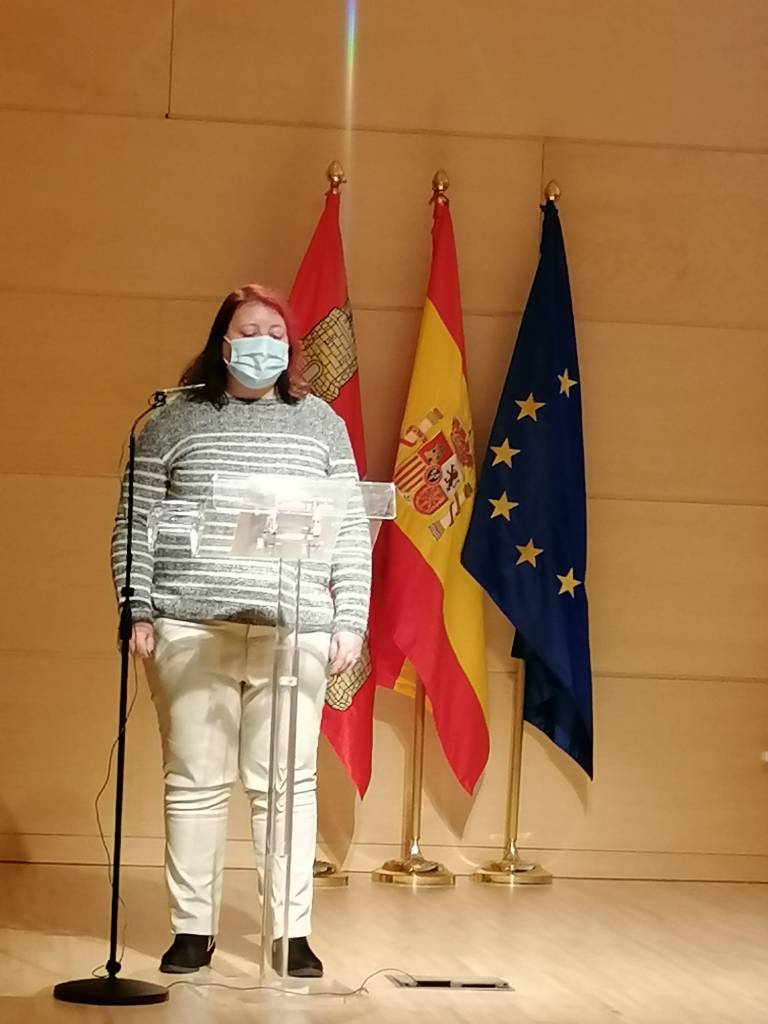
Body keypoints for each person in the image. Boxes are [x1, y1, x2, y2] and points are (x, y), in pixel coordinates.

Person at [110, 284, 371, 978]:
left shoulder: (321, 423)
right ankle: (191, 930)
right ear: (223, 343)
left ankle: (290, 934)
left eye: (275, 334)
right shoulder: (172, 420)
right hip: (191, 628)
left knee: (287, 785)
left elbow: (351, 527)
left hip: (294, 632)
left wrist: (350, 619)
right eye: (249, 331)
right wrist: (137, 608)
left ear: (291, 348)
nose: (263, 343)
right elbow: (133, 522)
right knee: (195, 782)